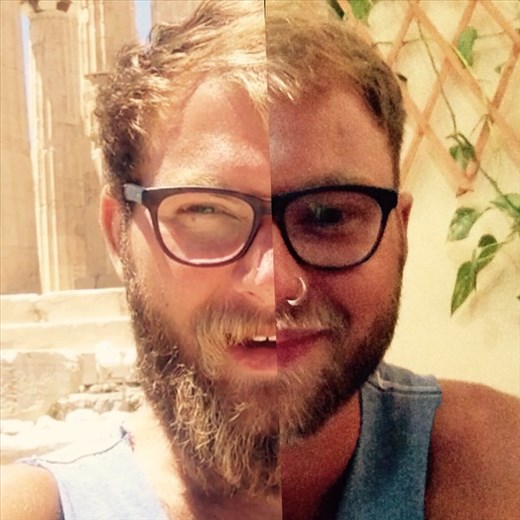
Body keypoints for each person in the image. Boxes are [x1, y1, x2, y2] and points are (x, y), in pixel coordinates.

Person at [1, 1, 519, 519]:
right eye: (206, 212)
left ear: (399, 235)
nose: (275, 281)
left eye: (330, 215)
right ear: (119, 235)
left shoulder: (498, 464)